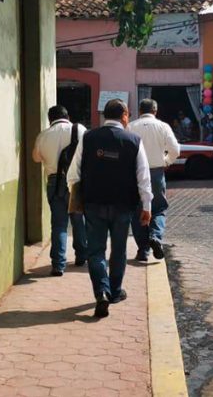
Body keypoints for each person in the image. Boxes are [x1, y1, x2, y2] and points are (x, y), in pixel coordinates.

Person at [67, 99, 152, 318]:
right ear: (124, 115)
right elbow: (143, 177)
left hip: (93, 204)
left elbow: (73, 173)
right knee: (119, 249)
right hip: (124, 205)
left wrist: (76, 199)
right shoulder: (133, 140)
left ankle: (101, 292)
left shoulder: (89, 137)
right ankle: (114, 292)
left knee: (96, 251)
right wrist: (147, 206)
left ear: (105, 116)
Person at [32, 105, 88, 276]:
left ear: (50, 119)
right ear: (68, 116)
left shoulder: (43, 135)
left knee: (59, 224)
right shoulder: (80, 130)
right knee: (78, 220)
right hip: (75, 182)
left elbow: (36, 158)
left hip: (54, 183)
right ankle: (81, 256)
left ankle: (58, 264)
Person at [128, 99, 180, 262]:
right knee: (158, 208)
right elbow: (175, 150)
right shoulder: (163, 126)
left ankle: (143, 250)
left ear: (140, 110)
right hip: (156, 172)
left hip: (135, 173)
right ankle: (156, 236)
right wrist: (166, 161)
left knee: (137, 211)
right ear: (155, 111)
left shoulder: (130, 126)